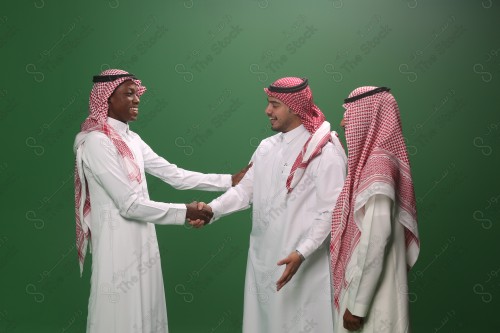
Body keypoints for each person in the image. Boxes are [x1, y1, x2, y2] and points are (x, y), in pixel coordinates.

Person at [73, 69, 249, 333]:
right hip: (116, 240)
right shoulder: (97, 143)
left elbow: (174, 175)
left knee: (146, 306)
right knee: (118, 308)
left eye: (137, 93)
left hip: (143, 235)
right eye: (128, 93)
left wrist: (228, 180)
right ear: (107, 99)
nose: (136, 99)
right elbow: (128, 204)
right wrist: (185, 212)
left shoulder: (131, 139)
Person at [191, 77, 347, 332]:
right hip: (263, 260)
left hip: (302, 263)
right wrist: (212, 210)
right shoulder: (266, 147)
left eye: (274, 105)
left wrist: (302, 252)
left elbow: (332, 210)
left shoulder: (324, 151)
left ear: (295, 108)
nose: (267, 111)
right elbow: (244, 191)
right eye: (268, 104)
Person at [330, 86, 420, 332]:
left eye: (349, 113)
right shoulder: (378, 163)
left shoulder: (378, 168)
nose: (343, 122)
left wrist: (357, 306)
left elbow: (375, 241)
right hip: (373, 290)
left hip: (371, 300)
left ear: (369, 116)